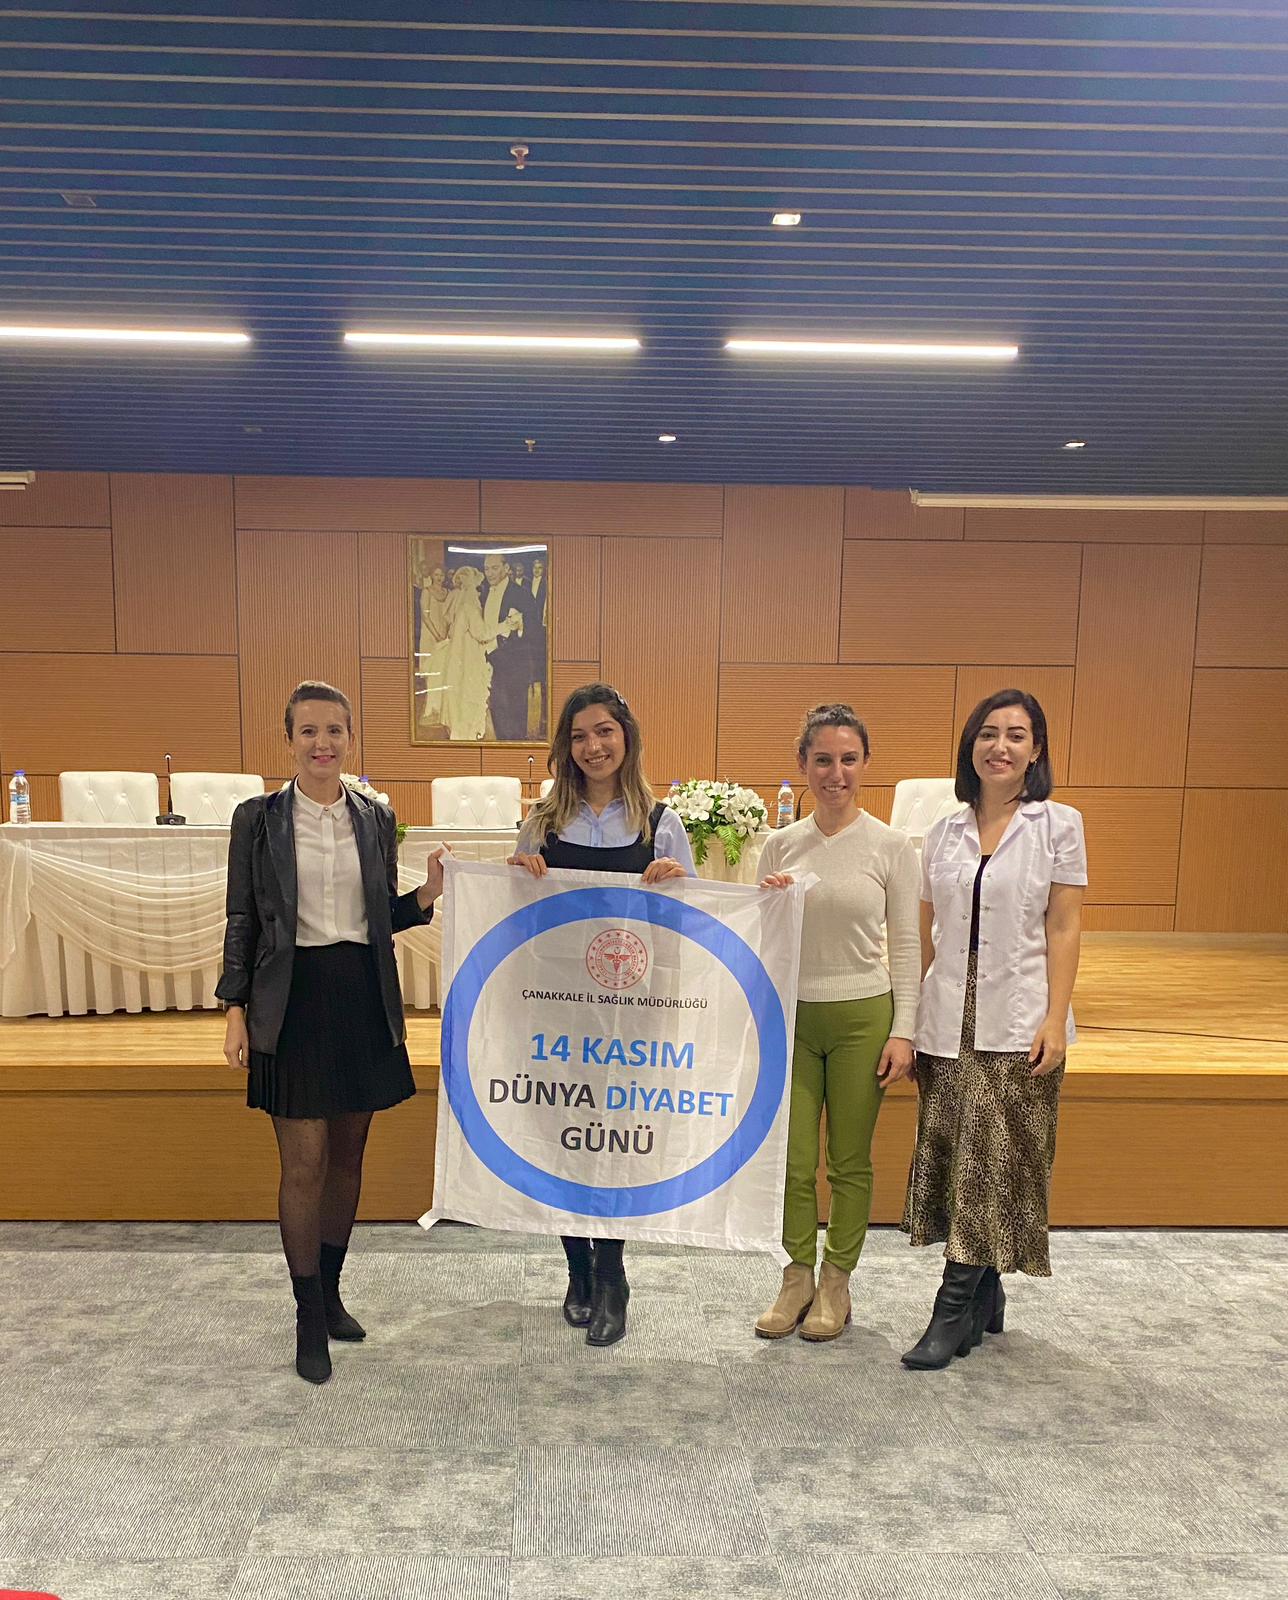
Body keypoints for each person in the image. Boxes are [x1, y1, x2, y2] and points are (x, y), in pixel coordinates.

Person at [218, 680, 446, 1385]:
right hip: (291, 998)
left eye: (335, 731)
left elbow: (380, 918)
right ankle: (306, 1312)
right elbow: (241, 917)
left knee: (348, 1157)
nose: (323, 743)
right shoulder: (257, 819)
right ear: (289, 739)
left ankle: (334, 1292)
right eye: (309, 731)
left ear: (350, 738)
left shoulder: (375, 817)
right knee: (304, 1164)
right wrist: (234, 1007)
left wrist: (426, 895)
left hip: (361, 996)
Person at [900, 688, 1085, 1370]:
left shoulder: (1058, 824)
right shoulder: (943, 832)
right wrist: (909, 1018)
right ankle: (987, 1294)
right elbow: (926, 931)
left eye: (1016, 735)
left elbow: (1063, 926)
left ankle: (952, 1309)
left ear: (1036, 751)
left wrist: (1055, 1019)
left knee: (995, 1159)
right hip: (948, 1018)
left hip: (1020, 1016)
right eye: (987, 733)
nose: (999, 746)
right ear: (970, 746)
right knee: (958, 1155)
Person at [507, 683, 695, 1346]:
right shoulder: (542, 822)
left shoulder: (660, 823)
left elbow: (687, 927)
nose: (593, 746)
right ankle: (576, 1270)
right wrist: (516, 878)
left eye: (604, 731)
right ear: (566, 747)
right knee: (565, 1138)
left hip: (631, 1016)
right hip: (558, 1011)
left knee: (614, 1142)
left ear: (626, 737)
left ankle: (612, 1275)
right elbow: (515, 923)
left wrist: (677, 888)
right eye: (580, 735)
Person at [755, 704, 920, 1341]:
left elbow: (906, 943)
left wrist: (904, 1029)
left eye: (849, 759)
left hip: (863, 1019)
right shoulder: (780, 844)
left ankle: (836, 1282)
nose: (836, 773)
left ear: (865, 764)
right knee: (793, 1161)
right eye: (822, 760)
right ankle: (796, 1274)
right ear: (802, 765)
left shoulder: (891, 847)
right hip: (794, 1019)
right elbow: (763, 940)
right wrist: (769, 906)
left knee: (848, 1162)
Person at [480, 551, 534, 741]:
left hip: (514, 663)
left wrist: (519, 628)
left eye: (494, 568)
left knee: (515, 717)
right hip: (490, 661)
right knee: (498, 711)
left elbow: (533, 628)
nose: (489, 573)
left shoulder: (521, 593)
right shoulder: (483, 593)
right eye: (486, 568)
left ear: (506, 568)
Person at [442, 566, 497, 742]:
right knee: (468, 694)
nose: (479, 594)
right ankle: (467, 735)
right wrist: (505, 625)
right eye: (477, 589)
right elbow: (481, 633)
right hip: (468, 659)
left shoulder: (462, 605)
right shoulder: (468, 607)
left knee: (462, 695)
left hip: (461, 657)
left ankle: (464, 733)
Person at [416, 564, 451, 728]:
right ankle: (429, 711)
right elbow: (425, 616)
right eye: (436, 575)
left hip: (445, 636)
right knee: (431, 672)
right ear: (431, 576)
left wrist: (447, 634)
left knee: (442, 672)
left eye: (441, 575)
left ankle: (440, 711)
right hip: (430, 636)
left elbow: (451, 615)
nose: (439, 578)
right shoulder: (426, 591)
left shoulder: (448, 593)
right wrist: (437, 635)